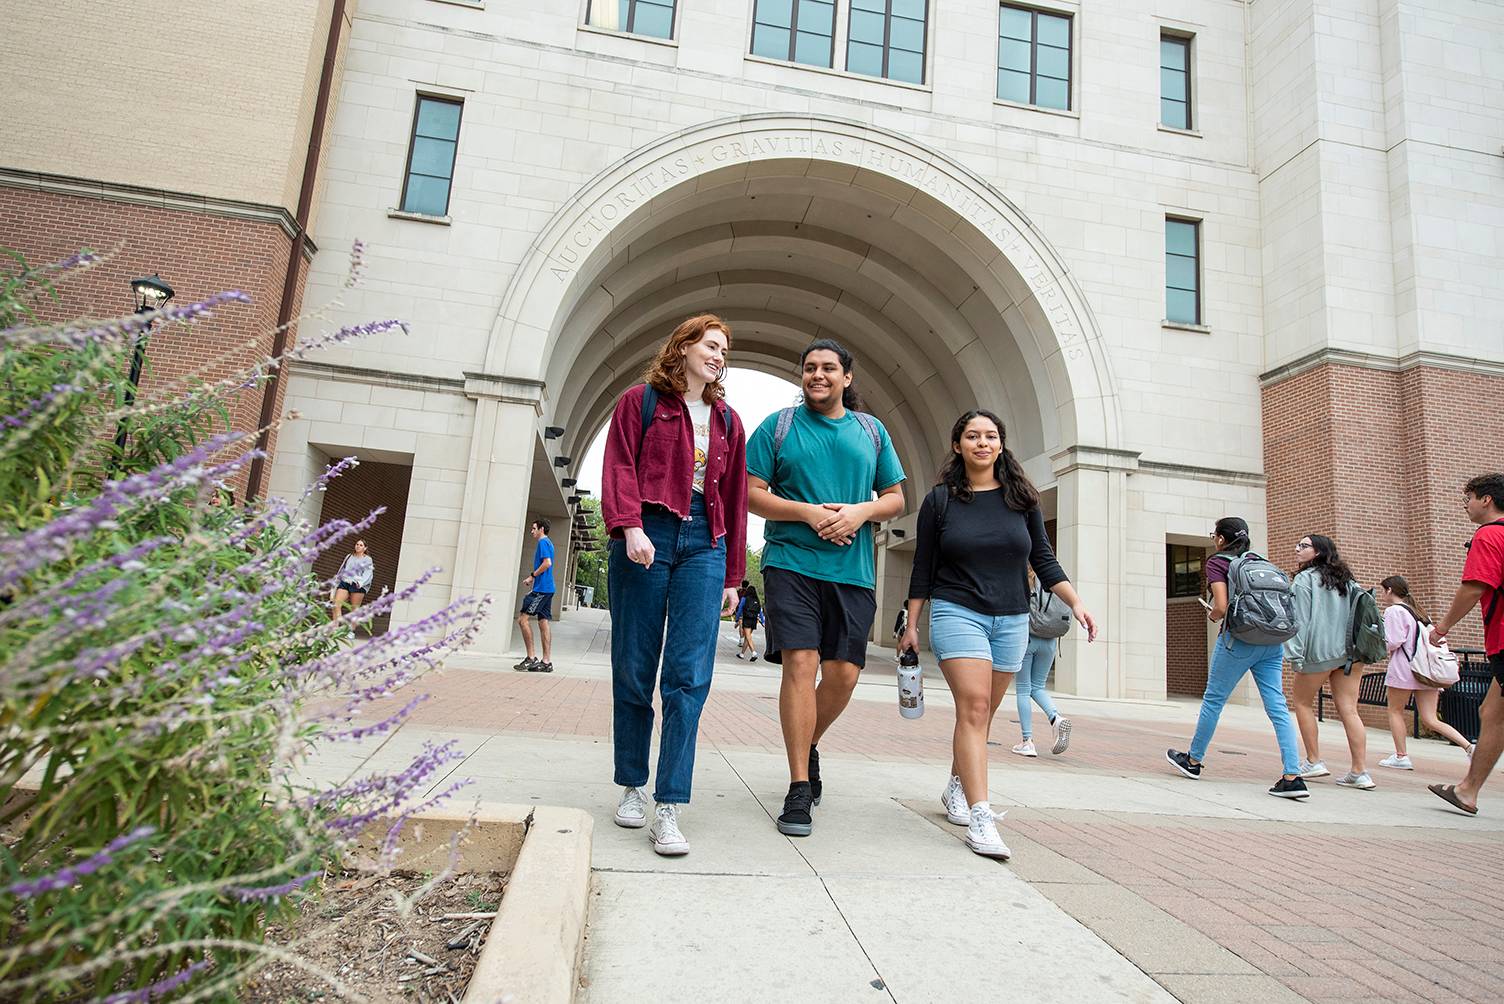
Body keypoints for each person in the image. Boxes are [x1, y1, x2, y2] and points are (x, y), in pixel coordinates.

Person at [901, 410, 1095, 858]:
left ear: (1001, 445)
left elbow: (1043, 560)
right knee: (974, 705)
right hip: (957, 611)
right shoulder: (940, 501)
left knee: (981, 715)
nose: (982, 443)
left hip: (1011, 619)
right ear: (958, 445)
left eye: (990, 436)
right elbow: (923, 567)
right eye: (972, 436)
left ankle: (956, 785)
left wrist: (1076, 602)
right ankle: (982, 816)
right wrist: (912, 624)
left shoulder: (1022, 500)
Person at [600, 314, 748, 854]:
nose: (717, 355)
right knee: (635, 666)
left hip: (704, 544)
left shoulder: (729, 421)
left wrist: (734, 574)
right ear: (683, 347)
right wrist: (631, 525)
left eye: (723, 350)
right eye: (710, 345)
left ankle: (670, 803)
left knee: (688, 677)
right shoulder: (641, 403)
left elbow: (733, 498)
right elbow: (618, 467)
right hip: (648, 533)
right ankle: (632, 786)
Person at [747, 339, 905, 837]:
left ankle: (808, 741)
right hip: (791, 562)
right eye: (810, 367)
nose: (818, 375)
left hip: (853, 570)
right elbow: (751, 495)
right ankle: (798, 786)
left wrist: (858, 512)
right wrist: (809, 513)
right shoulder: (778, 427)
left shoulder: (871, 431)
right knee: (801, 662)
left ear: (847, 378)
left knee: (844, 675)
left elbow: (896, 498)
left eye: (829, 368)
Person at [1168, 517, 1309, 799]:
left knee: (1214, 700)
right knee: (1278, 707)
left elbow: (1221, 605)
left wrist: (1212, 614)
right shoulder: (1261, 561)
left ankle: (1193, 761)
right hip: (1271, 641)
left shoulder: (1218, 562)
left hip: (1238, 640)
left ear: (1221, 538)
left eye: (1214, 535)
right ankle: (1292, 775)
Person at [1427, 473, 1504, 816]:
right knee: (1492, 713)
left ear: (1486, 499)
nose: (1466, 504)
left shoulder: (1489, 535)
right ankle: (1467, 790)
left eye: (1469, 497)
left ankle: (1469, 789)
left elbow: (1474, 587)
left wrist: (1442, 627)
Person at [1285, 534, 1373, 789]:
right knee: (1349, 710)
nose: (1297, 549)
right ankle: (1360, 771)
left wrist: (1294, 653)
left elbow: (1298, 620)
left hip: (1319, 652)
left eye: (1303, 546)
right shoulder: (1347, 579)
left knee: (1302, 702)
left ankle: (1314, 761)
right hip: (1351, 653)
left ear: (1319, 551)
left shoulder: (1303, 580)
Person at [1376, 575, 1475, 768]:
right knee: (1430, 719)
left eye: (1383, 590)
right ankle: (1469, 747)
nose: (1382, 594)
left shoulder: (1394, 611)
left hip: (1405, 668)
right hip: (1426, 670)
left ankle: (1401, 756)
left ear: (1389, 590)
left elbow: (1393, 641)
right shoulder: (1419, 613)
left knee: (1395, 711)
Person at [1012, 567, 1074, 758]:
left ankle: (1027, 742)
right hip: (1050, 641)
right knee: (1038, 687)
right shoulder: (1055, 579)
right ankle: (1056, 718)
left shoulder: (1024, 578)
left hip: (1028, 638)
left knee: (1023, 689)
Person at [513, 520, 556, 673]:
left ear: (541, 529)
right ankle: (546, 662)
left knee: (522, 619)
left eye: (533, 528)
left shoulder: (543, 542)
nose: (531, 531)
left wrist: (532, 576)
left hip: (542, 590)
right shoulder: (549, 543)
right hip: (548, 589)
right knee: (543, 622)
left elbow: (547, 563)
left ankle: (531, 658)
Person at [331, 539, 373, 623]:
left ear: (365, 548)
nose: (358, 546)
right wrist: (335, 583)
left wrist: (360, 583)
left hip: (357, 584)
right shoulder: (349, 556)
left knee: (354, 610)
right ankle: (336, 629)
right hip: (345, 582)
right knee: (336, 605)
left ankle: (350, 631)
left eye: (361, 545)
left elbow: (368, 573)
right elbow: (342, 569)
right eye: (357, 544)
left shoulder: (368, 559)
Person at [735, 582, 761, 661]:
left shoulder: (744, 599)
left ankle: (754, 652)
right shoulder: (757, 600)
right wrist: (763, 622)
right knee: (747, 637)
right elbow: (760, 611)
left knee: (748, 636)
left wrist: (737, 618)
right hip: (754, 620)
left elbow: (740, 609)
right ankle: (742, 654)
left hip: (747, 619)